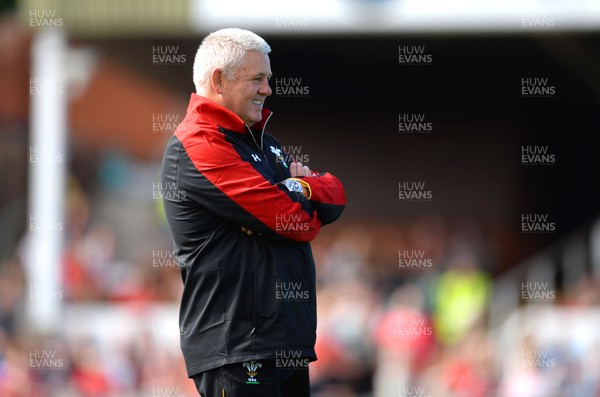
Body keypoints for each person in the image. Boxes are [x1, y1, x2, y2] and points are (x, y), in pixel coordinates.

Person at [160, 28, 346, 397]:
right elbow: (287, 218)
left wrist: (301, 189)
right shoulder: (199, 143)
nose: (268, 89)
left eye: (268, 78)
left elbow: (335, 196)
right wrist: (294, 195)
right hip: (238, 346)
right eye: (257, 78)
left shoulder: (262, 142)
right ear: (218, 80)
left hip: (285, 342)